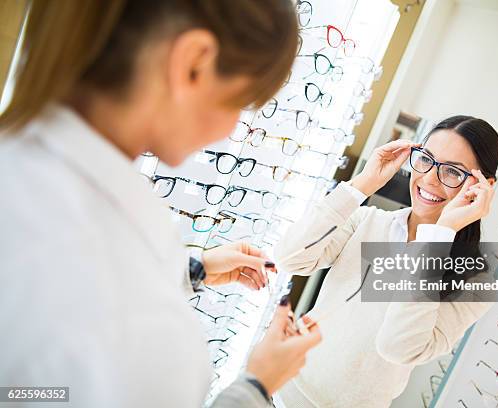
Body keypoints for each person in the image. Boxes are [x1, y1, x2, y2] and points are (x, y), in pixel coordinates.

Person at [0, 1, 320, 407]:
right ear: (194, 64)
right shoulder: (133, 313)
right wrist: (255, 387)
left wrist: (191, 270)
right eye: (242, 102)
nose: (233, 130)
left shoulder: (23, 173)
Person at [275, 116, 498, 407]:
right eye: (426, 160)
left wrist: (440, 235)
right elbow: (290, 258)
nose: (430, 178)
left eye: (453, 172)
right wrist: (362, 185)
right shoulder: (368, 221)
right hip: (277, 385)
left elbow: (396, 347)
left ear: (484, 186)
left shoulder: (476, 283)